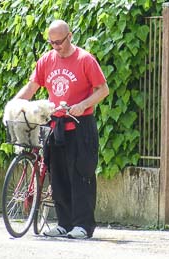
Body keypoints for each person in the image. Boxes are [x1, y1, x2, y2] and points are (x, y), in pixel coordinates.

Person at [13, 19, 109, 239]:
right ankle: (64, 223)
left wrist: (83, 104)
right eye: (52, 42)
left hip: (80, 124)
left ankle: (83, 226)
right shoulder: (46, 60)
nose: (56, 46)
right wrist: (14, 106)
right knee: (58, 176)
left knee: (81, 175)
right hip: (55, 125)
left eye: (59, 42)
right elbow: (31, 87)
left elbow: (103, 89)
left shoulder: (85, 59)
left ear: (70, 36)